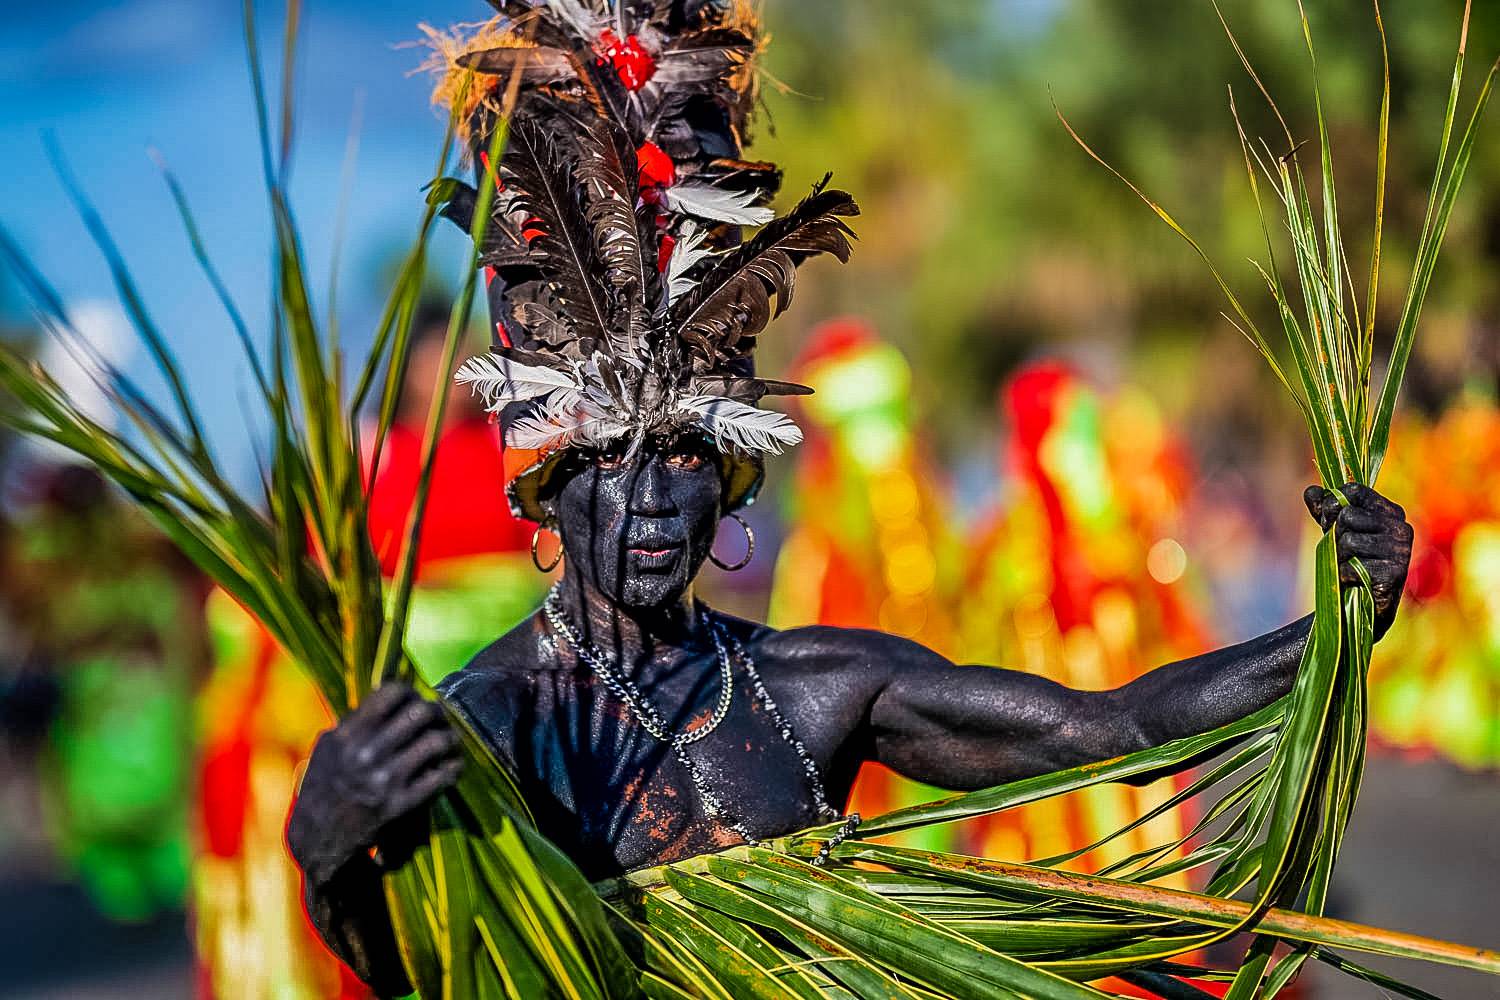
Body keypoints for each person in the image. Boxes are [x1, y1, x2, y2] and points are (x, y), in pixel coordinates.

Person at [285, 3, 1413, 994]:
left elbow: (1112, 729)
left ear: (734, 469)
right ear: (547, 482)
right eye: (616, 455)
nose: (654, 500)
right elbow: (413, 962)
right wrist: (327, 846)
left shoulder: (814, 686)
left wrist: (1340, 620)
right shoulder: (499, 725)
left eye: (686, 455)